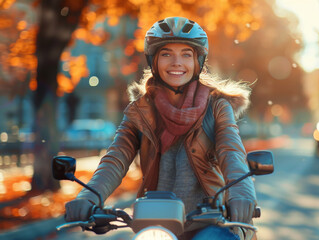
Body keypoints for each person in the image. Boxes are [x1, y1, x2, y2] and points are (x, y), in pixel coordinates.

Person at [64, 16, 257, 239]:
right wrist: (89, 197)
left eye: (186, 54)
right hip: (155, 223)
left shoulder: (217, 107)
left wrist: (242, 194)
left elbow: (231, 152)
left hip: (209, 221)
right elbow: (116, 158)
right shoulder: (140, 111)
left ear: (198, 63)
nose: (177, 62)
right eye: (166, 54)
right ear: (153, 61)